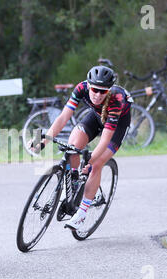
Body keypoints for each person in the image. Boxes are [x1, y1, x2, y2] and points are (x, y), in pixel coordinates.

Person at [32, 65, 132, 230]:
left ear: (109, 91)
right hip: (96, 116)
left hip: (118, 124)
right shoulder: (81, 88)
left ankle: (82, 212)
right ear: (88, 85)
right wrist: (44, 141)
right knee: (73, 146)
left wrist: (90, 162)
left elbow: (105, 140)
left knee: (96, 164)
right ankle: (75, 182)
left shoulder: (116, 100)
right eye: (95, 89)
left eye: (103, 91)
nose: (98, 94)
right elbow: (64, 116)